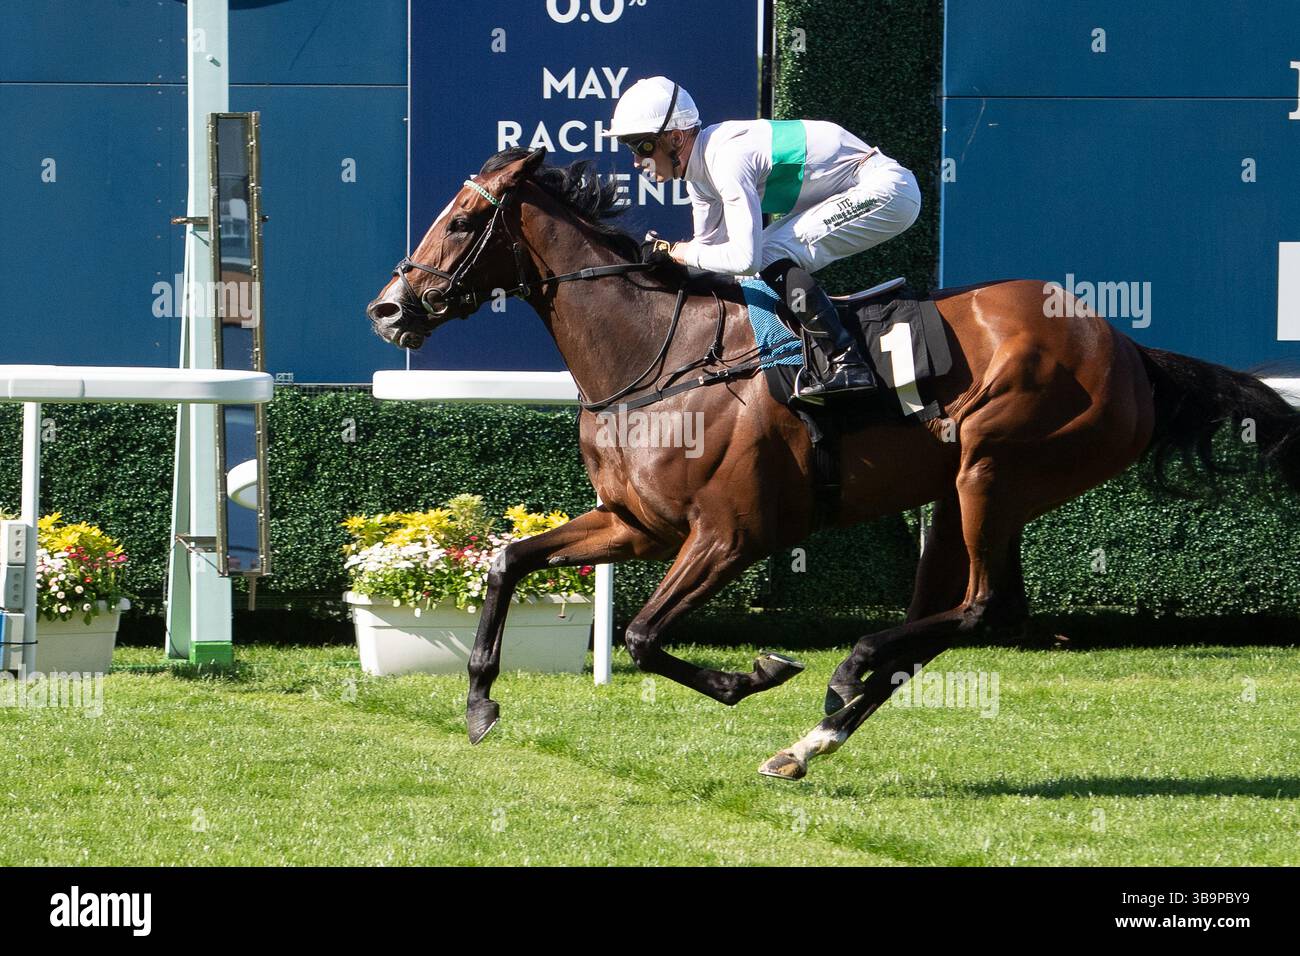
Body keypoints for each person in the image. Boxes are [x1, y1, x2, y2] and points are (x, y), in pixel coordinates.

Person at [605, 76, 921, 398]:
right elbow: (710, 259)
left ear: (675, 137)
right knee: (764, 256)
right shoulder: (699, 180)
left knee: (767, 253)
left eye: (641, 145)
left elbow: (745, 258)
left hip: (887, 190)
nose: (635, 160)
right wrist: (664, 262)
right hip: (862, 187)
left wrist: (677, 251)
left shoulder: (726, 158)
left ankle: (847, 362)